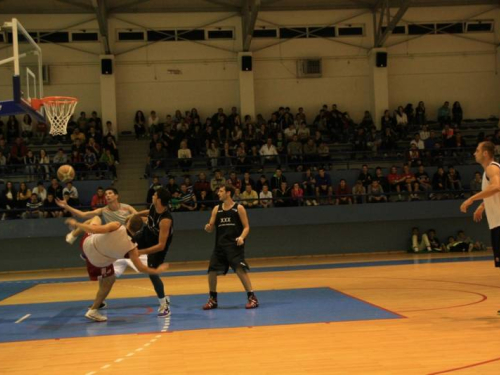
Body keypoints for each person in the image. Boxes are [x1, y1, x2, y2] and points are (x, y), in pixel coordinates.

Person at [64, 215, 168, 322]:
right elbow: (141, 268)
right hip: (98, 261)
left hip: (87, 245)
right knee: (109, 279)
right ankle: (93, 310)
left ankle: (72, 235)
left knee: (96, 219)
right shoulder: (132, 248)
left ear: (128, 223)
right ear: (138, 230)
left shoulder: (116, 226)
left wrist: (76, 224)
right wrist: (156, 270)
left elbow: (93, 229)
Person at [203, 185, 258, 310]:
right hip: (220, 247)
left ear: (228, 193)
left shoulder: (239, 208)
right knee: (211, 271)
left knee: (240, 269)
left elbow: (246, 227)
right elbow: (211, 227)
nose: (218, 193)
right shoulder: (216, 209)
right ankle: (213, 299)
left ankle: (252, 297)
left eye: (221, 191)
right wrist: (208, 227)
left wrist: (242, 237)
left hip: (234, 245)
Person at [461, 142, 500, 296]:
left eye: (477, 150)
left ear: (485, 153)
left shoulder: (492, 168)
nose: (474, 153)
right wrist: (483, 206)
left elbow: (496, 187)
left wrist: (472, 199)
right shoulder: (489, 171)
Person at [135, 188, 174, 317]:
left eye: (155, 195)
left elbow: (161, 245)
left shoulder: (165, 220)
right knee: (128, 240)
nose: (152, 196)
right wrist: (135, 215)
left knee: (152, 273)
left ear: (159, 200)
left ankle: (164, 305)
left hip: (158, 247)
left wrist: (142, 251)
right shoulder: (153, 206)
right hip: (147, 234)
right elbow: (149, 212)